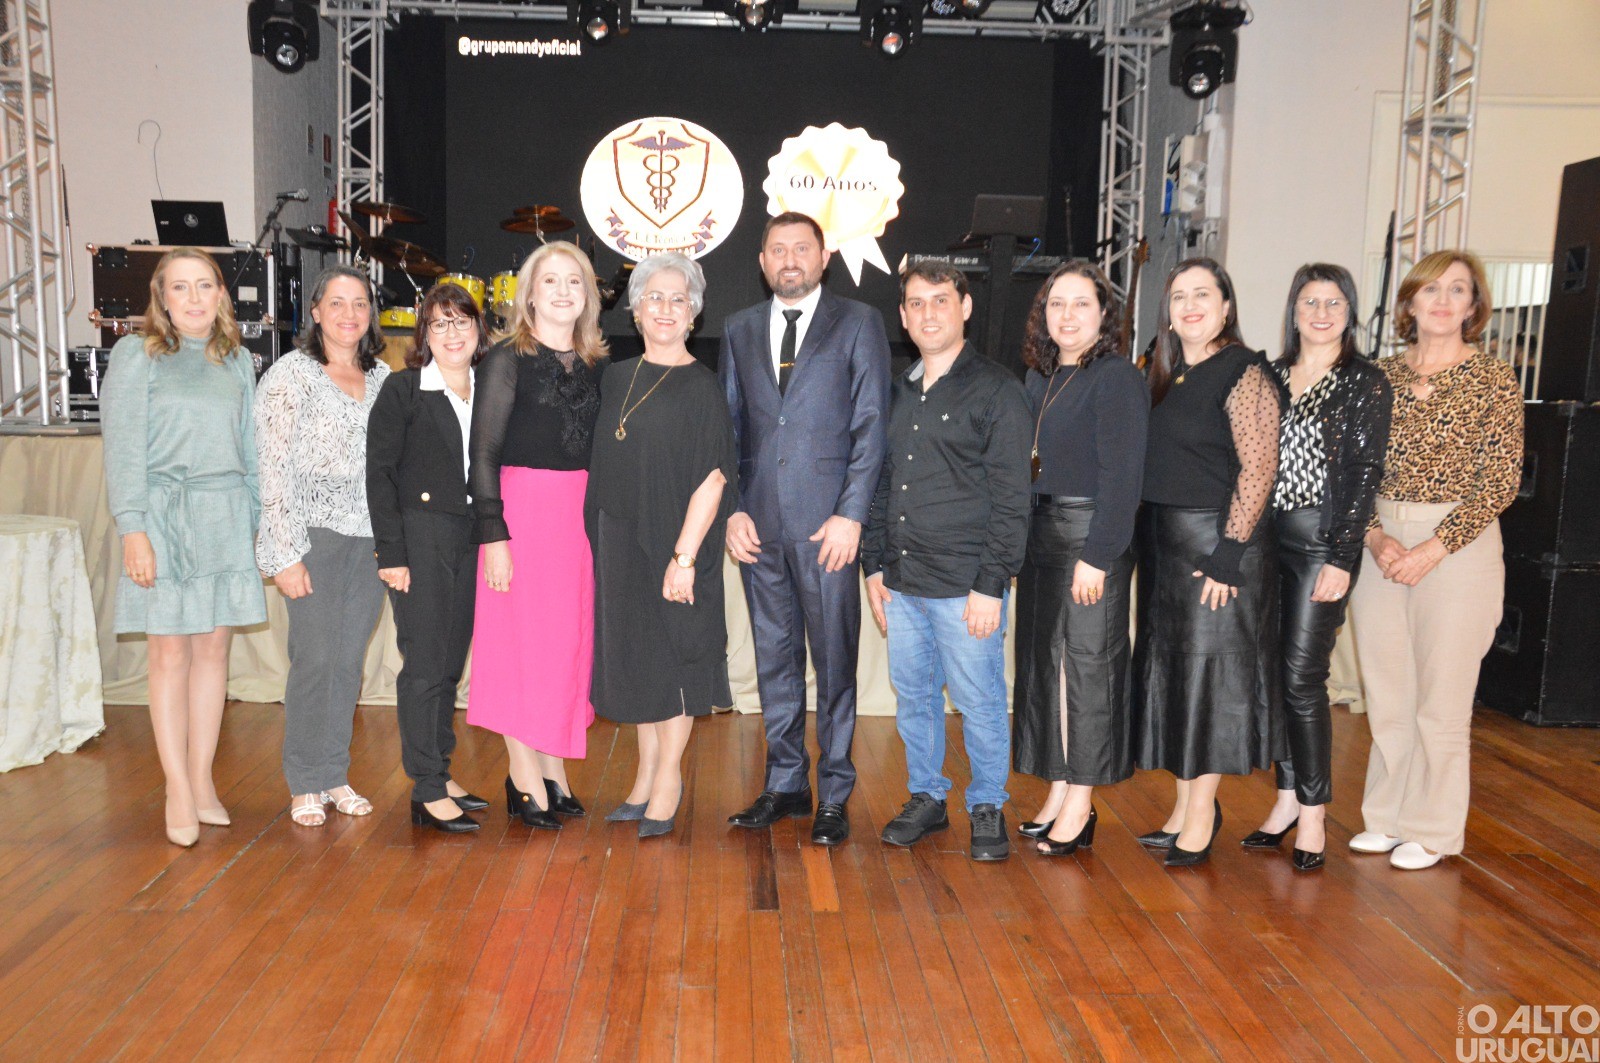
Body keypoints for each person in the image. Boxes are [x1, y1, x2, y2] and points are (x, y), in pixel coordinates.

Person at [719, 211, 891, 846]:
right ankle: (786, 785)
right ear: (762, 262)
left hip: (829, 531)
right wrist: (735, 508)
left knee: (835, 660)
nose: (789, 259)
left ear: (823, 259)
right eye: (776, 250)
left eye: (801, 249)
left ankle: (835, 792)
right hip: (759, 527)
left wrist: (851, 515)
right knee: (774, 659)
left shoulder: (859, 322)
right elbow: (729, 429)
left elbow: (872, 425)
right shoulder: (738, 329)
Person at [1349, 250, 1522, 871]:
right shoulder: (1378, 376)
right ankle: (1387, 819)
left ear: (1474, 307)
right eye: (1432, 290)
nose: (1444, 300)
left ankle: (1433, 828)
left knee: (1441, 701)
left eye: (1458, 290)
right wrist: (1375, 537)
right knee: (1390, 692)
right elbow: (1355, 471)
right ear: (1410, 302)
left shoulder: (1494, 378)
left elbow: (1500, 479)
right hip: (1383, 541)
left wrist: (1432, 547)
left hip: (1459, 544)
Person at [863, 260, 1033, 862]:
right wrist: (873, 565)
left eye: (941, 300)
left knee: (982, 700)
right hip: (903, 582)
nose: (928, 312)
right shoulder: (897, 389)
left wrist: (993, 584)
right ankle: (927, 797)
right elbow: (881, 484)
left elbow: (1014, 499)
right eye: (916, 303)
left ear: (964, 308)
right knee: (914, 699)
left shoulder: (997, 389)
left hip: (967, 586)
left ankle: (987, 804)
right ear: (904, 316)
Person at [101, 248, 266, 847]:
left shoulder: (239, 360)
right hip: (164, 518)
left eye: (205, 286)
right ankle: (175, 785)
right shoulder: (135, 355)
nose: (194, 298)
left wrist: (255, 524)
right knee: (169, 655)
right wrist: (133, 528)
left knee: (214, 652)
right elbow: (122, 449)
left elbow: (251, 454)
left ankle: (201, 780)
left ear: (221, 294)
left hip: (224, 517)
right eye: (181, 288)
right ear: (162, 297)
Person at [1133, 257, 1284, 867]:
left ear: (1226, 306)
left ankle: (1202, 815)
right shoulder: (1163, 372)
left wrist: (1227, 556)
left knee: (1211, 682)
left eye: (1203, 294)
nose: (1190, 305)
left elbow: (1260, 468)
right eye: (1178, 296)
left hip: (1218, 549)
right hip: (1164, 546)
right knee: (1178, 678)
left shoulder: (1245, 371)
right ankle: (1182, 808)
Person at [1242, 265, 1391, 871]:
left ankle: (1313, 812)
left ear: (1350, 312)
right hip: (1264, 544)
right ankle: (1283, 800)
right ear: (1294, 308)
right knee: (1273, 677)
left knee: (1303, 679)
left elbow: (1363, 479)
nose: (1322, 311)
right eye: (1311, 300)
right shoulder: (1270, 376)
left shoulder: (1365, 383)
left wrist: (1343, 558)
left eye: (1335, 302)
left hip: (1320, 545)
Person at [586, 252, 737, 839]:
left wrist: (685, 558)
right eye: (655, 297)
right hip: (621, 540)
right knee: (642, 666)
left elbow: (714, 478)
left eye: (679, 299)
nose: (666, 309)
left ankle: (668, 781)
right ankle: (644, 778)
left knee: (674, 664)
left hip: (674, 543)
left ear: (694, 313)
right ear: (637, 308)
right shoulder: (617, 376)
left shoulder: (702, 387)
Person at [1009, 262, 1149, 857]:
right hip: (1042, 537)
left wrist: (1098, 554)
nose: (1067, 316)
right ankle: (1059, 786)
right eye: (1056, 304)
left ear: (1103, 314)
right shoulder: (1039, 378)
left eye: (1081, 304)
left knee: (1085, 673)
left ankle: (1082, 804)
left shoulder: (1117, 378)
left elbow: (1124, 477)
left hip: (1091, 538)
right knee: (1045, 670)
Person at [468, 243, 608, 831]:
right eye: (548, 280)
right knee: (518, 646)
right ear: (528, 294)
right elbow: (482, 455)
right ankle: (522, 772)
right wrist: (494, 533)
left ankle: (554, 768)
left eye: (572, 281)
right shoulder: (505, 359)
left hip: (577, 518)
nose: (561, 291)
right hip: (521, 516)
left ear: (587, 296)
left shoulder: (597, 363)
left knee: (565, 647)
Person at [256, 265, 391, 827]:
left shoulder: (384, 376)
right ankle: (305, 781)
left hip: (372, 541)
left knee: (347, 661)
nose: (349, 314)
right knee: (314, 659)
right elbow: (272, 467)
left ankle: (334, 772)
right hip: (312, 537)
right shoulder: (291, 375)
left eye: (359, 303)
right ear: (315, 312)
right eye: (336, 303)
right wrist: (283, 552)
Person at [367, 284, 492, 833]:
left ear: (478, 331)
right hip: (419, 539)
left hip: (469, 537)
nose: (452, 333)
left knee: (449, 659)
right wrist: (392, 554)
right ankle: (425, 785)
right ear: (424, 334)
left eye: (462, 321)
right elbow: (380, 475)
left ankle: (440, 768)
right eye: (439, 324)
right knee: (424, 661)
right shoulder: (404, 390)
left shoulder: (490, 389)